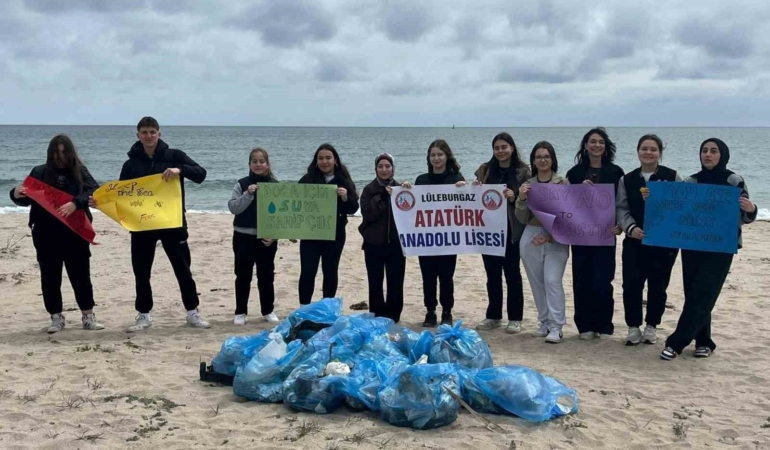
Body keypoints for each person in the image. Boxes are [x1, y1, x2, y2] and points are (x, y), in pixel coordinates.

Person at [660, 138, 758, 360]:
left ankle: (676, 343)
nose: (708, 154)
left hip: (721, 246)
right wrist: (652, 197)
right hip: (693, 245)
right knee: (695, 293)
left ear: (722, 154)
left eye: (713, 151)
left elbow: (745, 217)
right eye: (704, 150)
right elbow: (675, 209)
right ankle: (704, 342)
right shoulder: (691, 181)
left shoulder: (734, 180)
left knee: (705, 292)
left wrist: (751, 208)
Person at [116, 116, 209, 332]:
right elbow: (121, 194)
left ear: (159, 133)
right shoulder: (130, 164)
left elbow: (201, 174)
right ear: (137, 135)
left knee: (182, 268)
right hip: (142, 225)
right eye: (144, 132)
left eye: (152, 132)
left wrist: (180, 170)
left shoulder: (175, 156)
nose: (149, 136)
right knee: (141, 271)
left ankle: (192, 312)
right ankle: (144, 315)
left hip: (173, 223)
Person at [10, 134, 104, 333]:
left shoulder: (80, 171)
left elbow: (95, 191)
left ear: (70, 153)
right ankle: (56, 318)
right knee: (50, 277)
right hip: (45, 233)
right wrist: (15, 193)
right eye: (55, 152)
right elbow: (26, 197)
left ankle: (88, 317)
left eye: (63, 152)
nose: (59, 157)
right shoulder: (39, 172)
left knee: (81, 276)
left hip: (75, 232)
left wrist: (75, 203)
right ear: (50, 153)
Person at [616, 134, 682, 346]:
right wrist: (631, 228)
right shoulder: (627, 179)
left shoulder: (672, 176)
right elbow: (621, 208)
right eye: (644, 148)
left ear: (660, 153)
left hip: (663, 244)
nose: (648, 152)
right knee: (632, 285)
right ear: (638, 152)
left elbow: (682, 206)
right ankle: (633, 327)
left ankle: (652, 325)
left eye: (653, 149)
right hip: (635, 242)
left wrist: (660, 201)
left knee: (658, 286)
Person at [565, 127, 624, 340]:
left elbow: (621, 203)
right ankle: (585, 326)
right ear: (585, 145)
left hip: (605, 234)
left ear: (606, 146)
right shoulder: (575, 173)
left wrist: (620, 225)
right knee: (581, 279)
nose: (596, 145)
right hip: (580, 234)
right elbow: (566, 203)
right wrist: (579, 189)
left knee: (603, 281)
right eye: (592, 141)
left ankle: (604, 326)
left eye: (600, 142)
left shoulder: (616, 172)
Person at [402, 139, 466, 327]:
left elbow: (466, 204)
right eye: (433, 155)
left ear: (447, 156)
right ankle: (430, 311)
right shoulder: (421, 180)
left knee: (447, 276)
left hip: (448, 239)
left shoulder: (456, 179)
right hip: (426, 239)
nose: (436, 158)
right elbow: (413, 206)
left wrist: (467, 188)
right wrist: (405, 189)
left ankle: (447, 312)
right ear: (429, 158)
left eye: (440, 154)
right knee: (428, 277)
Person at [473, 132, 530, 334]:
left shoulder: (523, 171)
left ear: (512, 148)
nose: (500, 151)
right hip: (488, 231)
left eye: (504, 147)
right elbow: (473, 194)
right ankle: (493, 316)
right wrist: (471, 188)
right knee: (492, 275)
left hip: (512, 230)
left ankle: (515, 317)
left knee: (513, 274)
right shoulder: (486, 170)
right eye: (497, 148)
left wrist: (514, 197)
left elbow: (530, 200)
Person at [515, 142, 569, 343]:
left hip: (556, 237)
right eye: (538, 157)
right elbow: (521, 217)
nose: (543, 160)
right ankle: (544, 321)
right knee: (537, 283)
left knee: (552, 281)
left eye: (546, 156)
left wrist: (549, 234)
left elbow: (568, 215)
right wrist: (521, 198)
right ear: (534, 161)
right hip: (531, 233)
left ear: (552, 158)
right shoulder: (528, 184)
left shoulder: (563, 183)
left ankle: (557, 326)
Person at [297, 144, 359, 305]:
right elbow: (295, 204)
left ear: (335, 160)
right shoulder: (307, 179)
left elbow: (353, 207)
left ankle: (327, 307)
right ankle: (304, 307)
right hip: (310, 232)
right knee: (308, 271)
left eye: (328, 158)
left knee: (330, 271)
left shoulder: (344, 181)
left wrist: (345, 197)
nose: (325, 161)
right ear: (316, 161)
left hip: (335, 233)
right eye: (321, 158)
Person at [227, 148, 280, 325]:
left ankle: (268, 310)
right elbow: (233, 208)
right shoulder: (241, 184)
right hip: (242, 236)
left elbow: (281, 215)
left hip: (267, 239)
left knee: (266, 275)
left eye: (261, 161)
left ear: (267, 164)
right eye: (254, 161)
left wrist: (274, 235)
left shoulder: (275, 185)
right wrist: (248, 194)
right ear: (249, 164)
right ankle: (240, 311)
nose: (258, 164)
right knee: (242, 275)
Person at [359, 153, 406, 323]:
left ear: (393, 168)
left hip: (396, 245)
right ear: (376, 169)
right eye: (381, 166)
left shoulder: (400, 188)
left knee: (396, 282)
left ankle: (394, 315)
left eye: (388, 166)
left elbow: (411, 212)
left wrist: (408, 190)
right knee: (375, 282)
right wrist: (382, 196)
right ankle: (377, 315)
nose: (384, 169)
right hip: (373, 245)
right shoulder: (369, 189)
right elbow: (367, 214)